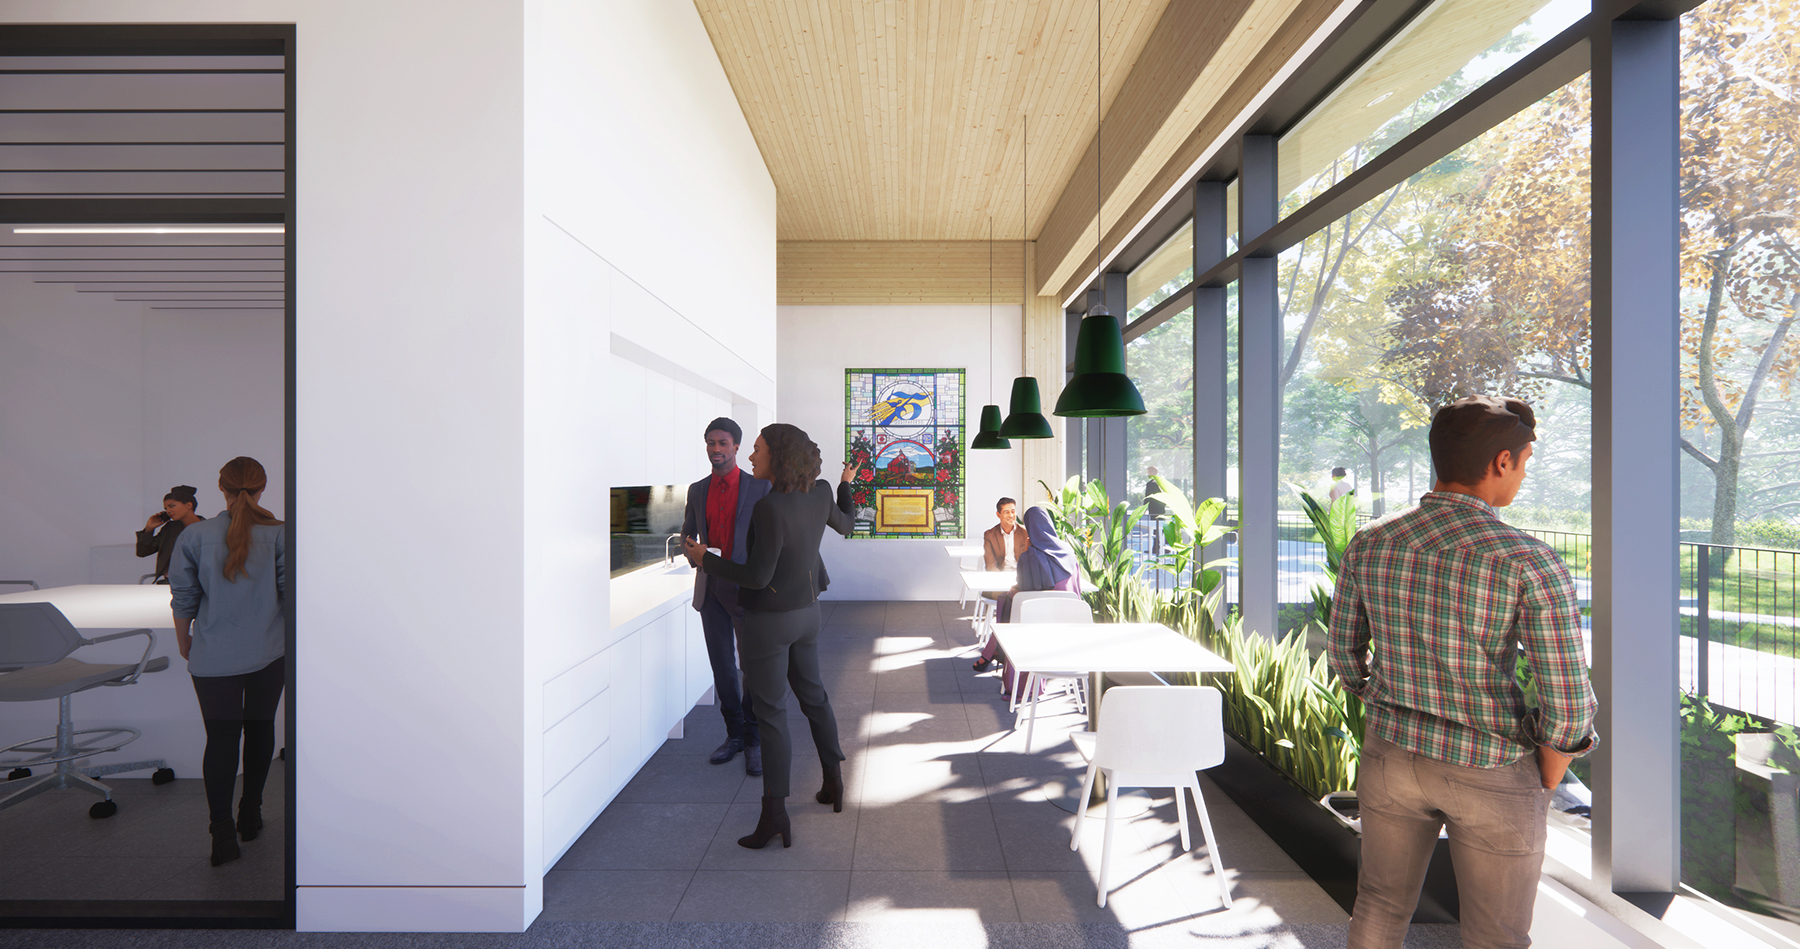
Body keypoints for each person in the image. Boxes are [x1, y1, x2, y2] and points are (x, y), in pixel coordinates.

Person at [1327, 395, 1597, 949]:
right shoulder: (1526, 559)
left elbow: (1345, 657)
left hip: (1391, 752)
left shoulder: (1372, 541)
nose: (1521, 475)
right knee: (1495, 936)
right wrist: (1546, 773)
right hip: (1490, 765)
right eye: (1523, 463)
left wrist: (1387, 705)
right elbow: (1568, 700)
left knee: (1378, 906)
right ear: (1502, 462)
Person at [682, 423, 857, 850]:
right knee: (814, 696)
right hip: (807, 615)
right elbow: (848, 525)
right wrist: (845, 484)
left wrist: (706, 560)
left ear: (777, 457)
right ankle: (834, 780)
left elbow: (757, 576)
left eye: (757, 450)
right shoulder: (819, 495)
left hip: (769, 623)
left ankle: (775, 814)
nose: (753, 456)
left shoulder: (769, 508)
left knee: (773, 715)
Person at [169, 457, 286, 869]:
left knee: (219, 741)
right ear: (262, 488)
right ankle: (249, 815)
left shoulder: (195, 536)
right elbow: (291, 595)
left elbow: (183, 597)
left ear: (221, 489)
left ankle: (221, 835)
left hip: (213, 655)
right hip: (269, 653)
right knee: (259, 732)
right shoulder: (280, 534)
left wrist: (186, 640)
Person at [681, 417, 773, 775]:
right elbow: (689, 531)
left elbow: (767, 541)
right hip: (711, 587)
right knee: (722, 666)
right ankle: (733, 734)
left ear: (736, 446)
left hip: (747, 588)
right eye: (710, 443)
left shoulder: (761, 488)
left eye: (722, 443)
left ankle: (753, 738)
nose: (715, 450)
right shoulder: (697, 489)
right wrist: (693, 552)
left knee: (751, 667)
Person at [983, 506, 1083, 696]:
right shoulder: (1068, 551)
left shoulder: (1031, 556)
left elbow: (1026, 594)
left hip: (1040, 628)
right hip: (1072, 624)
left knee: (1008, 603)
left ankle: (1002, 664)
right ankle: (989, 653)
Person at [972, 497, 1028, 673]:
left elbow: (1027, 563)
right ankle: (1003, 650)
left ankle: (994, 650)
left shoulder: (1025, 533)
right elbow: (990, 566)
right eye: (1006, 512)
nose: (1011, 515)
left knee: (1011, 601)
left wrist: (1019, 582)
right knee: (1009, 600)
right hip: (998, 583)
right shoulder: (990, 534)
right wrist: (1005, 583)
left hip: (1020, 582)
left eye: (1013, 511)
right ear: (998, 514)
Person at [135, 485, 204, 582]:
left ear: (189, 505)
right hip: (170, 582)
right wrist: (149, 528)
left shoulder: (207, 528)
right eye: (166, 508)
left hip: (199, 581)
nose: (168, 511)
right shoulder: (170, 529)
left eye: (172, 506)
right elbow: (142, 552)